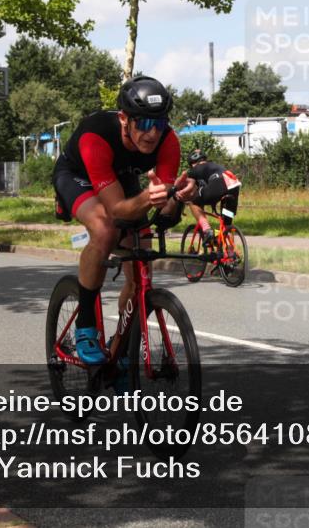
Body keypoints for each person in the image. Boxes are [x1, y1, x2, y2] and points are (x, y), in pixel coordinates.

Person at [52, 76, 196, 368]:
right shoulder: (97, 135)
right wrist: (149, 198)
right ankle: (86, 325)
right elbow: (117, 210)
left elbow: (164, 215)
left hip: (122, 178)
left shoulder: (168, 142)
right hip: (78, 176)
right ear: (123, 119)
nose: (152, 133)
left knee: (141, 266)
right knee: (105, 229)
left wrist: (177, 198)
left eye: (160, 123)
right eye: (143, 123)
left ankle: (121, 349)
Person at [185, 149, 241, 247]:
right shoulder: (214, 166)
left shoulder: (195, 169)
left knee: (192, 201)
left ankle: (207, 230)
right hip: (234, 184)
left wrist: (182, 199)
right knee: (225, 223)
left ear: (192, 164)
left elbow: (189, 189)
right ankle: (227, 250)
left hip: (220, 183)